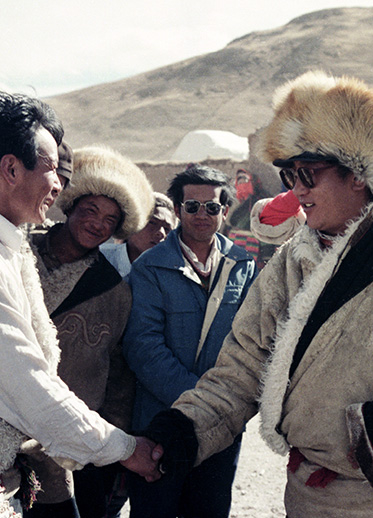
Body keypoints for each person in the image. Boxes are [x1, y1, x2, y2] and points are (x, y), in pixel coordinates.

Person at [141, 71, 373, 517]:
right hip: (309, 495)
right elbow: (242, 367)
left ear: (358, 175)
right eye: (290, 175)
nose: (297, 190)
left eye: (308, 174)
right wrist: (181, 430)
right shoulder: (290, 261)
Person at [0, 92, 161, 518]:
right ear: (10, 169)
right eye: (51, 169)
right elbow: (26, 388)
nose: (58, 185)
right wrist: (123, 448)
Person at [25, 145, 155, 517]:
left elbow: (119, 378)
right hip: (5, 427)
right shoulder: (18, 255)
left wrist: (113, 448)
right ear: (70, 206)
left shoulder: (114, 292)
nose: (98, 223)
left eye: (110, 219)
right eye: (91, 210)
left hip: (74, 441)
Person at [123, 164, 257, 518]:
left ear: (224, 211)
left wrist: (221, 409)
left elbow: (250, 342)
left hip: (222, 429)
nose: (202, 214)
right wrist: (201, 404)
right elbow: (144, 348)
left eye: (211, 207)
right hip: (162, 424)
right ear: (178, 209)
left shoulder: (242, 266)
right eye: (192, 206)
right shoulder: (150, 268)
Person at [100, 192, 176, 278]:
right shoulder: (100, 258)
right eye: (152, 223)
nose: (161, 233)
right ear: (132, 225)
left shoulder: (171, 275)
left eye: (167, 229)